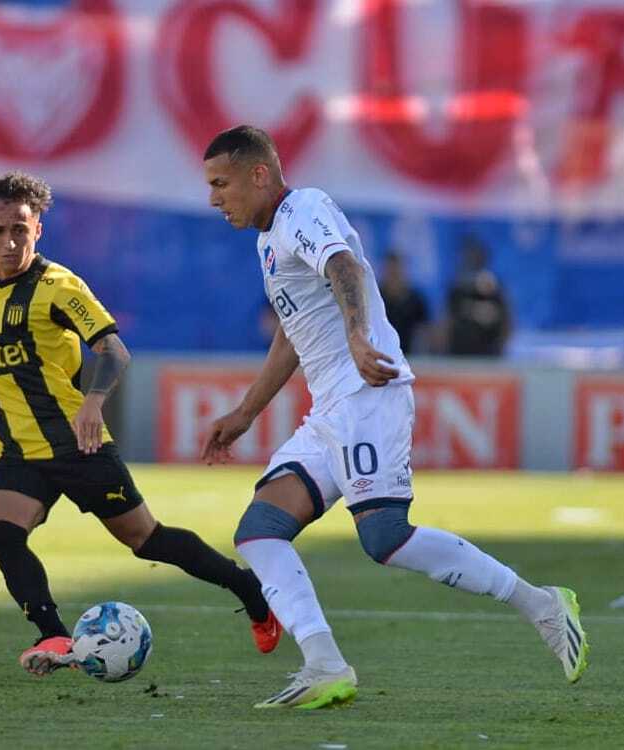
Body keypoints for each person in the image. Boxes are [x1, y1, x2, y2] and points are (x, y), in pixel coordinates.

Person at [200, 125, 588, 709]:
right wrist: (247, 411)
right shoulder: (268, 240)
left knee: (384, 538)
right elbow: (292, 331)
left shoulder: (302, 208)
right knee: (259, 532)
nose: (214, 199)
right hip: (330, 410)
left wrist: (358, 338)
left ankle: (542, 604)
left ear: (259, 174)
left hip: (366, 393)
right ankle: (325, 664)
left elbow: (345, 268)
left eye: (221, 183)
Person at [0, 172, 278, 675]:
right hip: (19, 454)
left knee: (145, 540)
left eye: (19, 229)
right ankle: (55, 635)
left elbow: (113, 349)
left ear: (37, 229)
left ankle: (248, 589)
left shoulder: (57, 287)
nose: (8, 241)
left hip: (79, 446)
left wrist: (93, 401)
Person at [445, 235, 512, 357]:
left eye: (477, 257)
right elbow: (446, 323)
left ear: (484, 259)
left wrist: (501, 348)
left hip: (489, 355)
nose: (473, 260)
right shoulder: (457, 289)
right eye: (469, 257)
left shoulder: (496, 289)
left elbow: (507, 321)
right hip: (459, 355)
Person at [377, 253, 429, 354]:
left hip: (410, 356)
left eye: (397, 271)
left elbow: (424, 331)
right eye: (390, 272)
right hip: (381, 354)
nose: (394, 275)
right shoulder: (376, 298)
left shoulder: (416, 299)